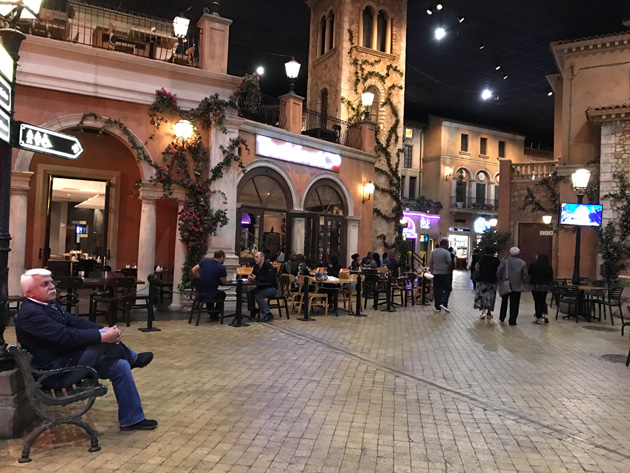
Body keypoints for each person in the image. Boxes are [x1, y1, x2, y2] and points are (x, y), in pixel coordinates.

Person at [15, 268, 157, 431]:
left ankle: (132, 419)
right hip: (54, 373)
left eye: (51, 282)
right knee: (101, 342)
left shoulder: (48, 304)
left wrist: (103, 330)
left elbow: (75, 322)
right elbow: (65, 336)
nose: (52, 286)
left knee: (120, 366)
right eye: (45, 284)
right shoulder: (31, 314)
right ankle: (133, 358)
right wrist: (103, 336)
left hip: (67, 360)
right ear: (30, 293)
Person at [191, 250, 227, 319]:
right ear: (222, 257)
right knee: (222, 294)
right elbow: (224, 281)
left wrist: (198, 278)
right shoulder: (222, 267)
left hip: (200, 293)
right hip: (211, 294)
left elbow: (193, 270)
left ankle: (211, 312)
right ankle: (215, 313)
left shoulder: (205, 261)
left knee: (210, 291)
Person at [496, 247, 528, 325]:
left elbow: (499, 271)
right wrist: (524, 283)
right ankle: (512, 320)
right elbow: (525, 274)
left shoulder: (504, 261)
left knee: (504, 301)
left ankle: (502, 317)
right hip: (517, 285)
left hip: (506, 284)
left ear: (510, 253)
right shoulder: (522, 262)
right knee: (515, 303)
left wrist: (499, 280)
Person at [247, 251, 278, 322]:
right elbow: (253, 275)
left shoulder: (268, 266)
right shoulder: (256, 266)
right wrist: (250, 277)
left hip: (271, 288)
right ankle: (253, 310)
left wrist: (256, 278)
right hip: (261, 287)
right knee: (250, 293)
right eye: (255, 257)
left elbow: (269, 279)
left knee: (258, 296)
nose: (255, 259)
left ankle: (268, 313)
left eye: (257, 257)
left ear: (262, 257)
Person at [474, 247, 500, 319]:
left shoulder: (482, 258)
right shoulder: (496, 260)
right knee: (491, 296)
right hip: (492, 280)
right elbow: (498, 270)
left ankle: (483, 312)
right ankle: (489, 312)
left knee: (482, 295)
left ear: (485, 251)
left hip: (482, 279)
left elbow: (476, 267)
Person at [528, 253, 553, 324]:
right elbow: (551, 277)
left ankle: (538, 317)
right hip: (545, 286)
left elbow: (529, 272)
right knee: (543, 300)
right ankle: (545, 314)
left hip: (535, 285)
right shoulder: (549, 267)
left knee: (537, 301)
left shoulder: (533, 265)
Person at [430, 239, 454, 312]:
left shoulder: (433, 252)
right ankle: (444, 302)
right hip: (445, 273)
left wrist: (432, 271)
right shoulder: (446, 252)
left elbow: (431, 262)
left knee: (437, 290)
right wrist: (450, 271)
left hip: (436, 273)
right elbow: (449, 263)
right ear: (445, 245)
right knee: (447, 289)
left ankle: (437, 306)